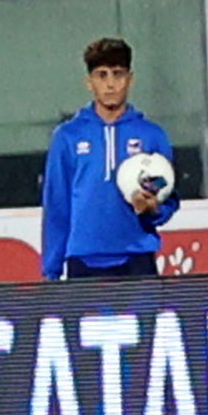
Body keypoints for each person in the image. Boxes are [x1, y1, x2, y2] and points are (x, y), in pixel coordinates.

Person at [39, 36, 180, 281]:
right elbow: (57, 205)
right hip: (83, 260)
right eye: (101, 75)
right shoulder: (68, 136)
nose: (111, 84)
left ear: (130, 79)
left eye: (118, 74)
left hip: (137, 258)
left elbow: (169, 196)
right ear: (89, 82)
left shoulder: (152, 135)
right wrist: (51, 270)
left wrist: (153, 208)